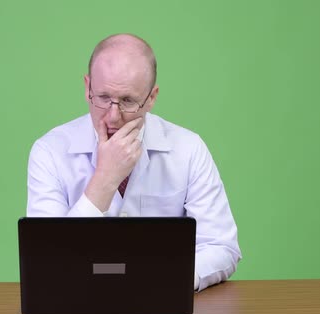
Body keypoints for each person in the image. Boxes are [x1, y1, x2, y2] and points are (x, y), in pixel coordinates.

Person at [26, 33, 241, 292]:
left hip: (163, 304)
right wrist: (105, 179)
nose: (113, 116)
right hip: (77, 306)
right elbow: (47, 264)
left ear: (151, 98)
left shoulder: (189, 149)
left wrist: (165, 280)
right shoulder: (49, 151)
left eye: (128, 101)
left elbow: (221, 246)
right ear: (87, 88)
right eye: (103, 97)